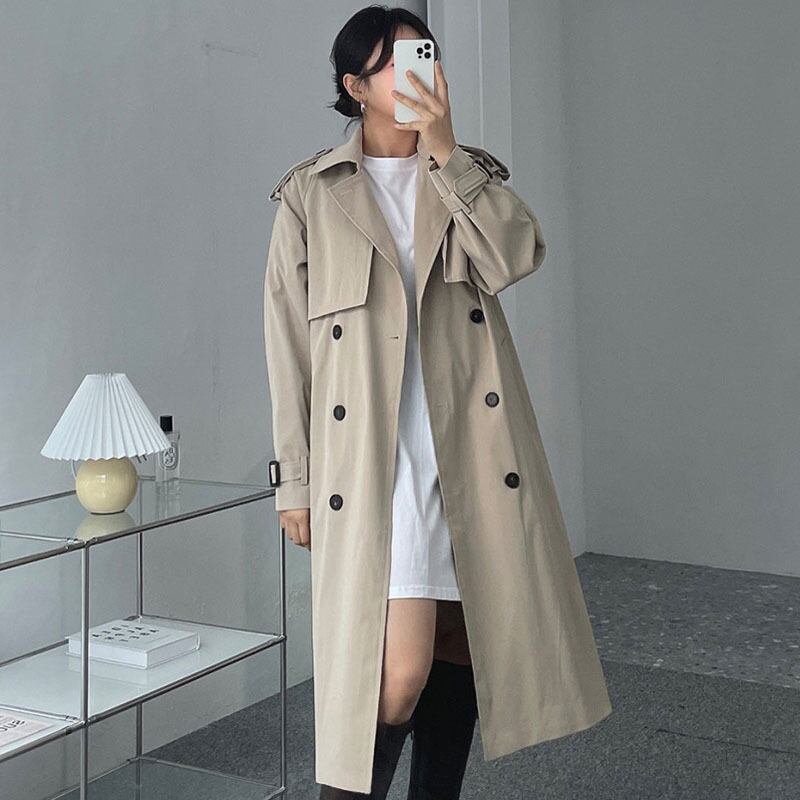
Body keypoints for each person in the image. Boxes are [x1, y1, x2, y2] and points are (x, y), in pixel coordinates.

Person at [264, 4, 610, 799]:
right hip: (375, 461)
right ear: (355, 87)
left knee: (461, 643)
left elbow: (517, 255)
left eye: (425, 53)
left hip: (472, 450)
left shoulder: (465, 174)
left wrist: (447, 150)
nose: (418, 70)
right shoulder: (310, 194)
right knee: (397, 675)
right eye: (393, 62)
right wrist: (294, 479)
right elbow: (286, 346)